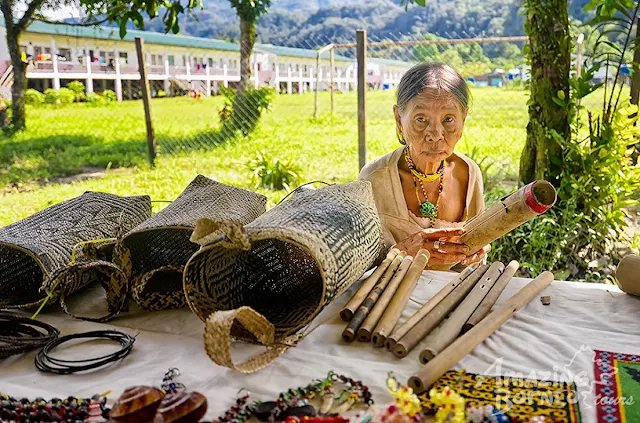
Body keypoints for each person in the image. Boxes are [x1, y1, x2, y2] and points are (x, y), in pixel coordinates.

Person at [358, 62, 490, 269]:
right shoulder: (374, 179)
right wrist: (400, 253)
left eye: (448, 119)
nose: (436, 135)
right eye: (421, 119)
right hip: (389, 295)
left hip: (456, 294)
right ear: (399, 119)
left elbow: (478, 250)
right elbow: (357, 262)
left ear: (463, 119)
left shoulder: (470, 173)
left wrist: (476, 253)